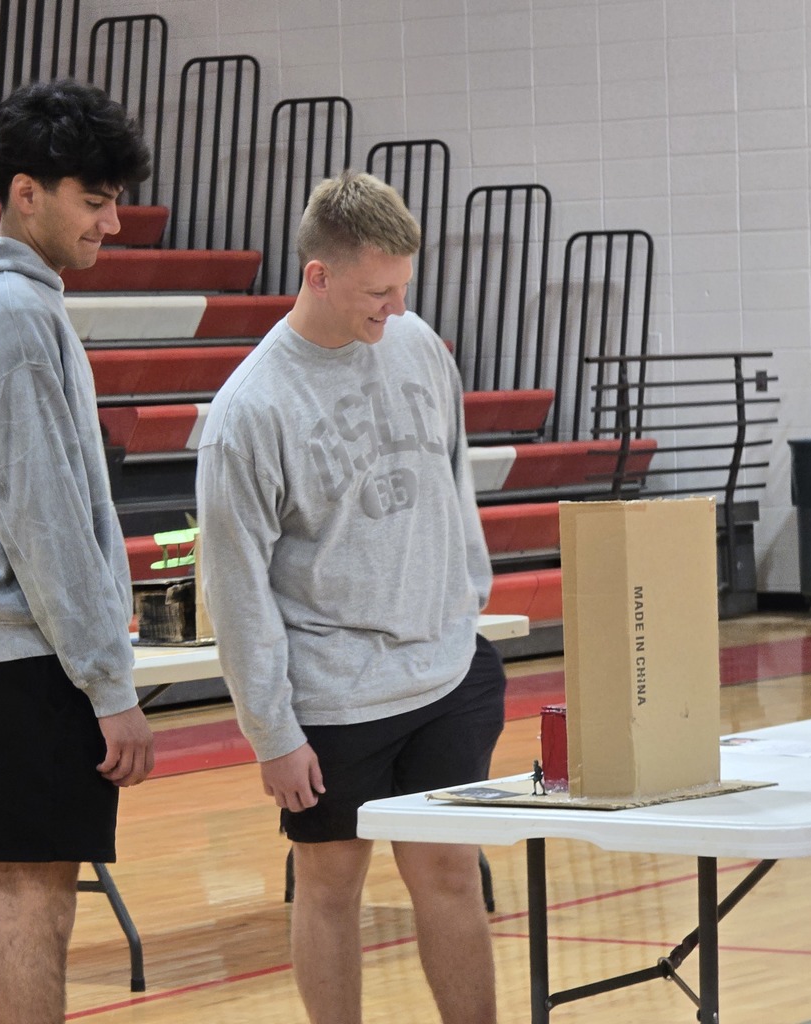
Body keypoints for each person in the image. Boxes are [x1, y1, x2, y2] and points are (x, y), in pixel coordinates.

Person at [196, 170, 505, 1024]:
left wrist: (466, 610)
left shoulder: (416, 344)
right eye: (378, 291)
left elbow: (455, 483)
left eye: (403, 287)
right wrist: (272, 731)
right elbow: (235, 588)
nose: (395, 309)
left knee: (450, 872)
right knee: (331, 885)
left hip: (445, 673)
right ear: (317, 275)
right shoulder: (248, 412)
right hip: (333, 694)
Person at [0, 79, 155, 1024]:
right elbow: (44, 522)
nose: (114, 224)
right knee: (35, 896)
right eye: (94, 202)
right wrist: (110, 685)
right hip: (28, 649)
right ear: (26, 193)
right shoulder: (12, 316)